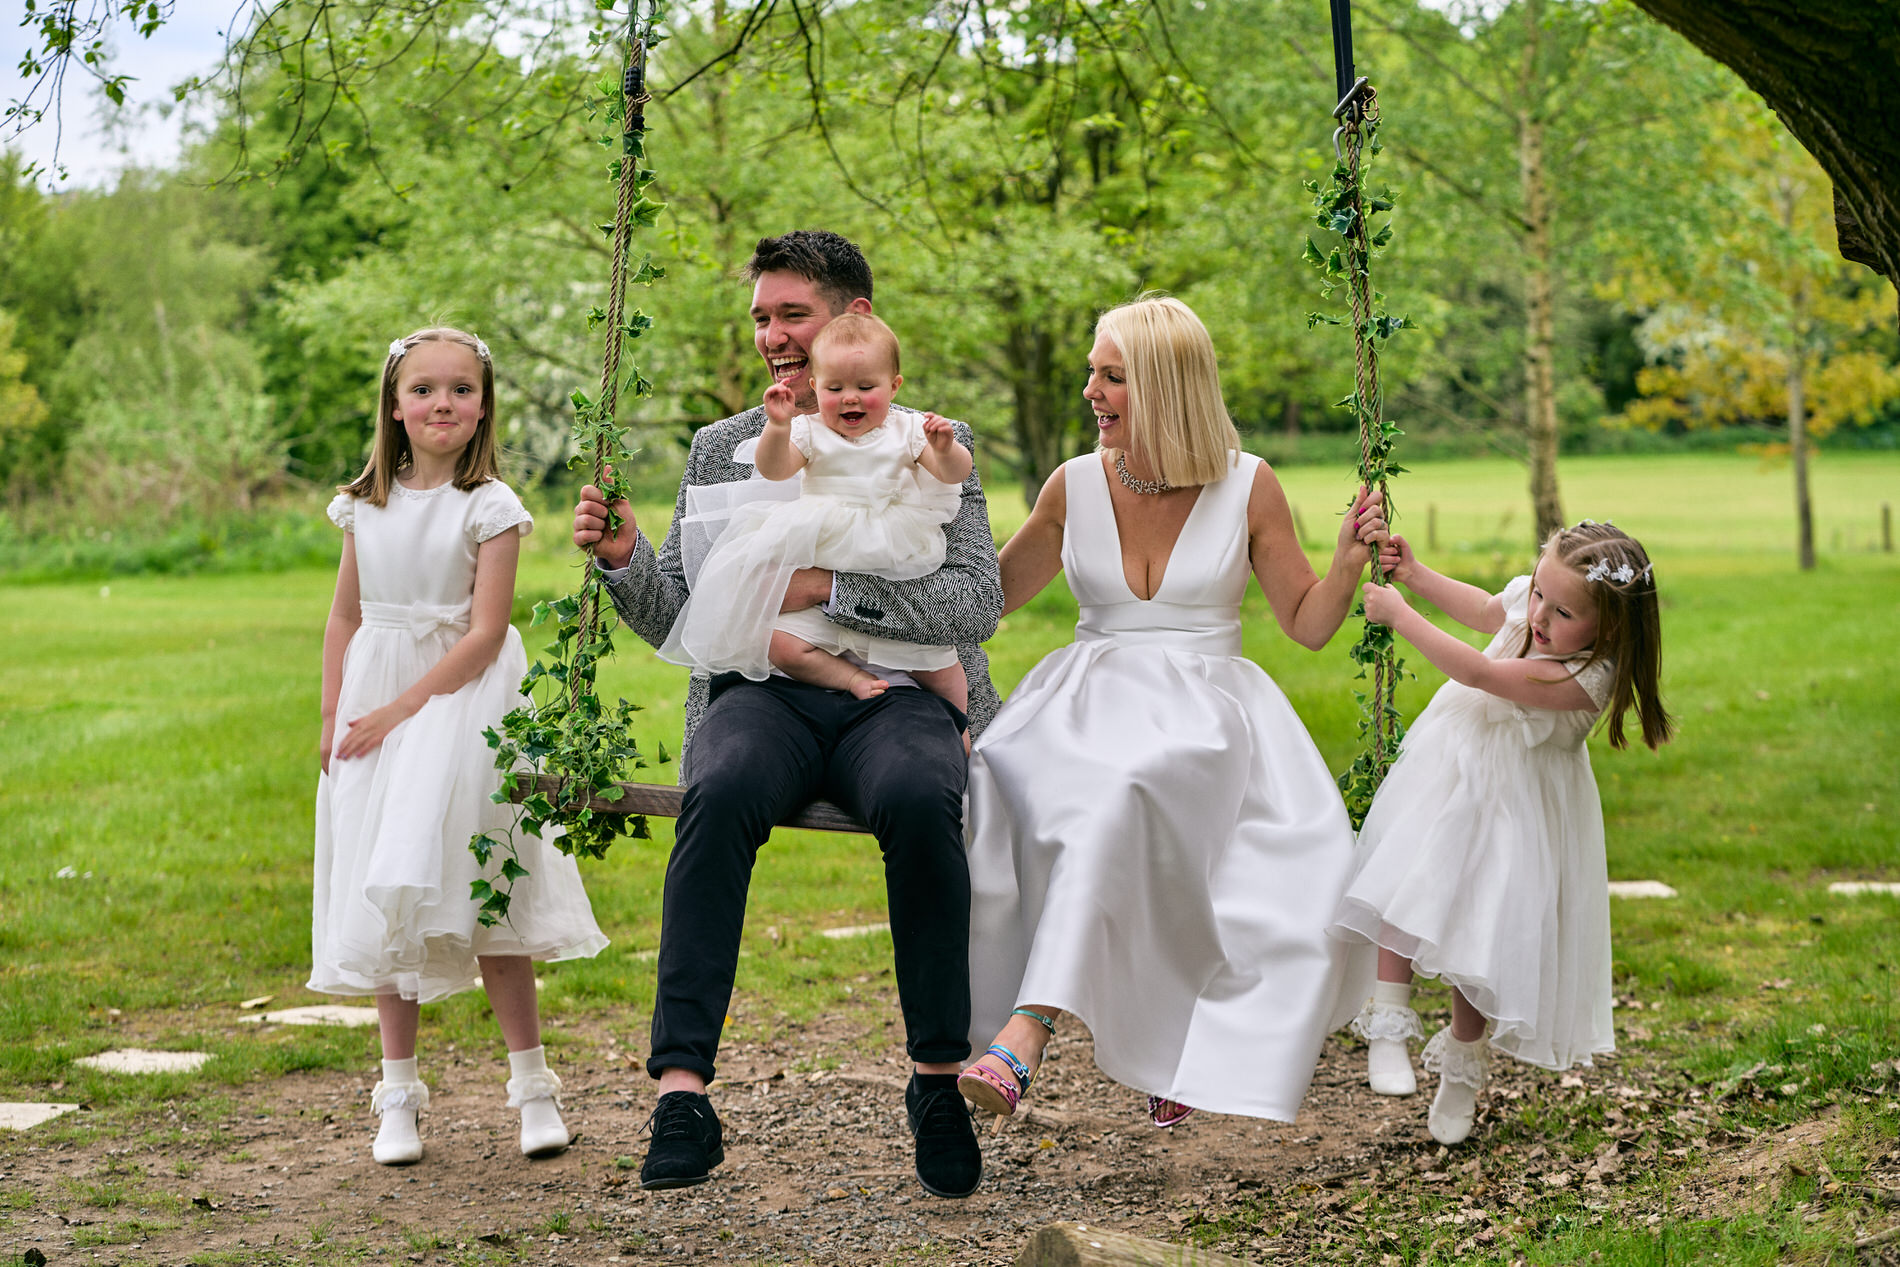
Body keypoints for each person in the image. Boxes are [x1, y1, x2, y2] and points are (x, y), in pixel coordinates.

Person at [572, 231, 1001, 1198]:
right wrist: (624, 559)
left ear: (853, 319)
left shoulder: (930, 439)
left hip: (896, 695)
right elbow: (688, 617)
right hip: (764, 695)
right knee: (715, 791)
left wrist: (824, 585)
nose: (771, 335)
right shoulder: (726, 447)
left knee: (924, 793)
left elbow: (976, 600)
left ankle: (936, 1076)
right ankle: (682, 1090)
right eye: (761, 316)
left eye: (790, 314)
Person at [958, 295, 1385, 1133]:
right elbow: (981, 604)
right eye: (1092, 371)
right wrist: (924, 524)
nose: (1091, 390)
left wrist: (1343, 565)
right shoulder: (1072, 485)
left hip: (1204, 708)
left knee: (1130, 791)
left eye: (1112, 376)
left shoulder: (1247, 484)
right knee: (1033, 785)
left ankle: (1026, 1033)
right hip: (1079, 702)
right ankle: (1151, 1037)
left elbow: (1307, 622)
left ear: (1165, 386)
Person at [314, 327, 608, 1166]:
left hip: (461, 698)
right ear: (395, 406)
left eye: (461, 390)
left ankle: (533, 1086)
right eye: (423, 390)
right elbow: (345, 615)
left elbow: (484, 635)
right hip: (377, 695)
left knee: (487, 885)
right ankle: (397, 1094)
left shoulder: (491, 505)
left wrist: (399, 710)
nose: (442, 404)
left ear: (483, 404)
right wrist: (337, 713)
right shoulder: (365, 503)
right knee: (385, 882)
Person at [1330, 521, 1673, 1145]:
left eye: (1562, 611)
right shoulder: (1537, 603)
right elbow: (1490, 610)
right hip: (1454, 765)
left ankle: (1463, 1060)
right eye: (1539, 593)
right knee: (1409, 874)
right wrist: (1415, 574)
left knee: (1480, 927)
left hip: (1521, 803)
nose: (1539, 615)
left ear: (1610, 627)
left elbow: (1482, 675)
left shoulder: (1587, 677)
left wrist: (1402, 616)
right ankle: (1388, 1020)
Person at [657, 312, 973, 718]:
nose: (850, 398)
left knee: (942, 664)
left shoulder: (909, 429)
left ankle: (959, 727)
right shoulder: (809, 431)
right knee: (779, 644)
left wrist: (945, 449)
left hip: (889, 545)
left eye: (865, 386)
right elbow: (775, 469)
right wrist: (777, 427)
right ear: (814, 386)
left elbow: (953, 475)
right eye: (835, 387)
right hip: (825, 538)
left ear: (894, 386)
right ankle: (849, 678)